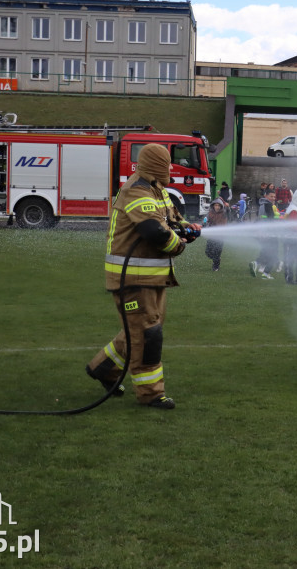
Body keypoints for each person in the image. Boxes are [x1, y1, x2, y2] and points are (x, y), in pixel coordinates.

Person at [85, 143, 198, 409]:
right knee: (148, 335)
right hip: (132, 278)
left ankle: (103, 368)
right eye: (167, 163)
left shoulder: (155, 188)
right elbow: (154, 231)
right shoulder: (137, 190)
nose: (170, 168)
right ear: (157, 165)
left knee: (139, 329)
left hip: (151, 276)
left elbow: (168, 221)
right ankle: (150, 394)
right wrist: (179, 244)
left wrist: (186, 228)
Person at [249, 190, 279, 279]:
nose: (273, 198)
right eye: (271, 196)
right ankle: (265, 274)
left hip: (263, 232)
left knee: (266, 252)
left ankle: (256, 264)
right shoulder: (268, 205)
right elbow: (270, 220)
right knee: (273, 254)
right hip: (270, 233)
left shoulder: (262, 204)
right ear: (266, 196)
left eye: (274, 197)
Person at [204, 198, 227, 271]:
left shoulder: (224, 213)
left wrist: (224, 202)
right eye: (215, 205)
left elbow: (229, 211)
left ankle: (216, 267)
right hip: (212, 235)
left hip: (220, 236)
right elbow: (206, 221)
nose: (217, 207)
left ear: (221, 206)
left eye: (218, 205)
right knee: (208, 252)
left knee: (217, 252)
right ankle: (216, 259)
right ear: (213, 206)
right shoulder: (210, 213)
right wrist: (205, 223)